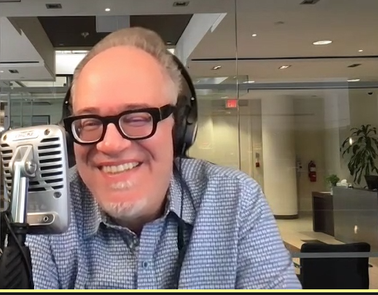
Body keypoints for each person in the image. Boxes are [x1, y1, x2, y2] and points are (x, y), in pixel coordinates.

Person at [24, 27, 301, 289]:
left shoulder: (235, 200)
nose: (110, 144)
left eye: (137, 118)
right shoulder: (49, 214)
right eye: (90, 121)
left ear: (179, 127)